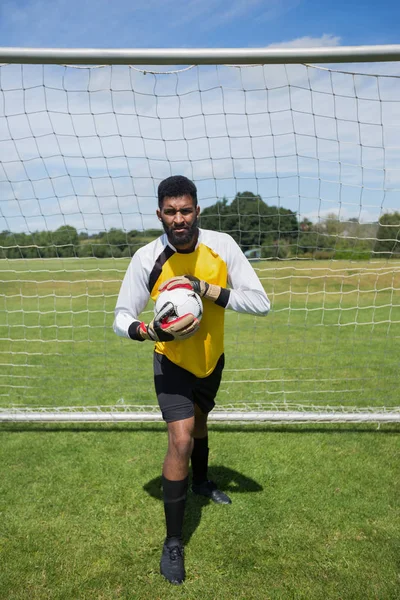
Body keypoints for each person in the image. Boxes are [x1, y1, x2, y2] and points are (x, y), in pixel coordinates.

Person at [113, 175, 270, 585]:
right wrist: (146, 332)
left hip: (210, 360)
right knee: (180, 439)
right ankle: (173, 542)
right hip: (170, 361)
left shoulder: (222, 247)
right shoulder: (147, 258)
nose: (178, 218)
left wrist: (203, 288)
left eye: (185, 210)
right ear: (159, 214)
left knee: (200, 423)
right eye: (170, 211)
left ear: (197, 210)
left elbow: (260, 302)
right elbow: (120, 317)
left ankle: (201, 481)